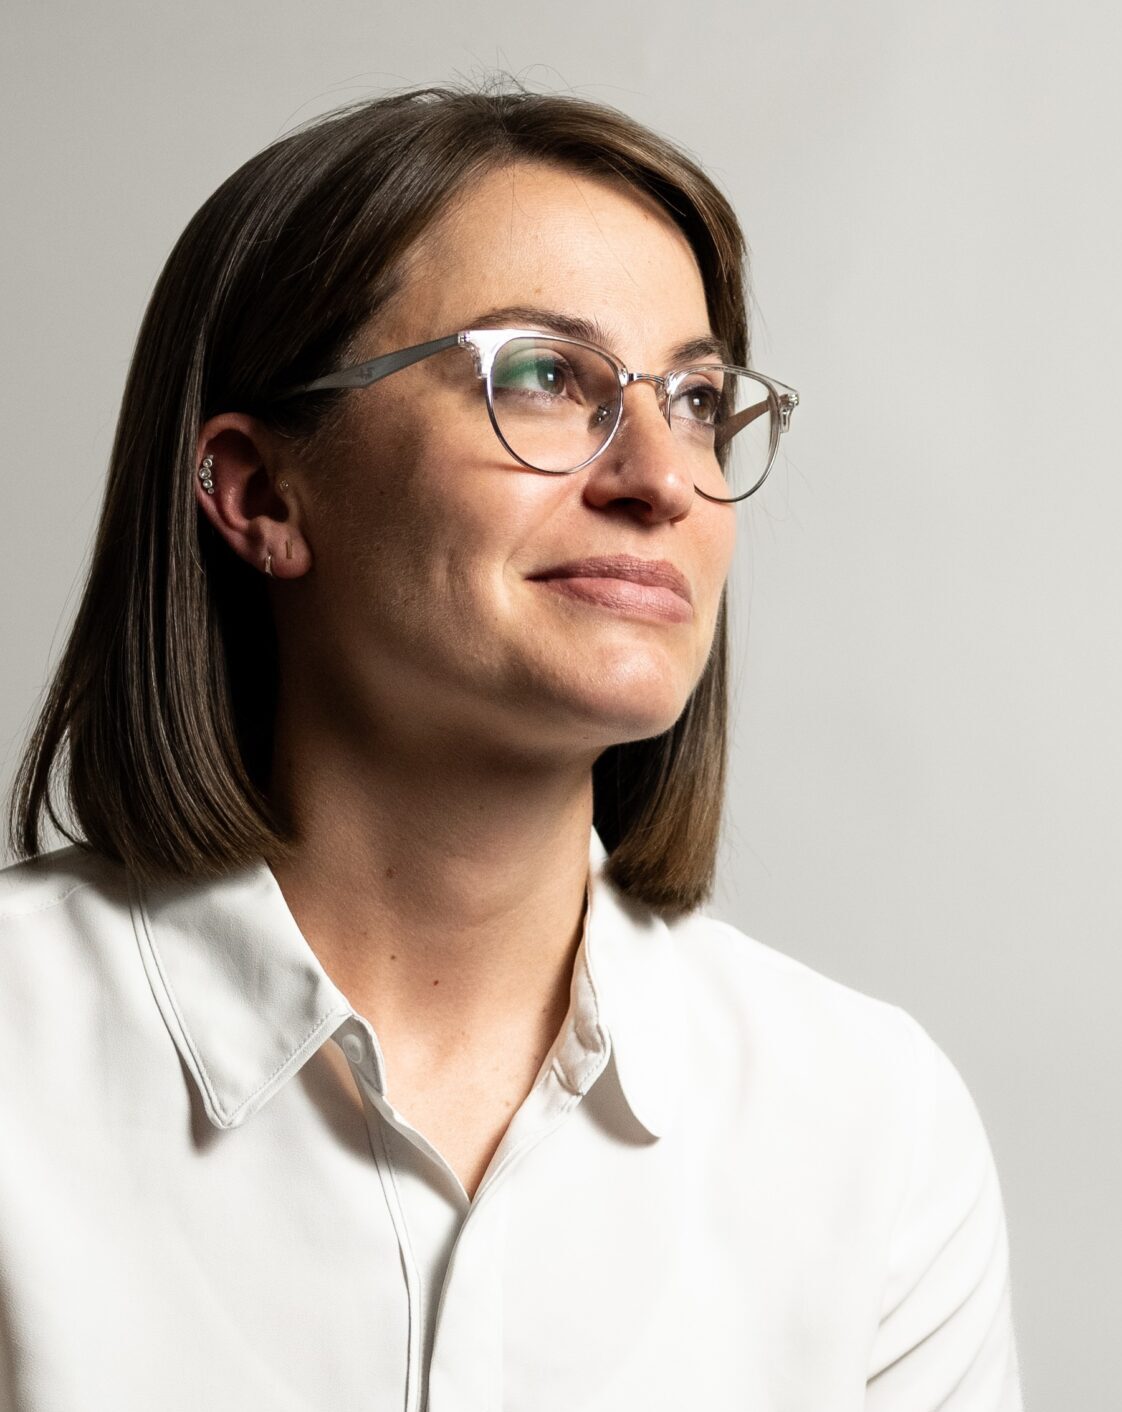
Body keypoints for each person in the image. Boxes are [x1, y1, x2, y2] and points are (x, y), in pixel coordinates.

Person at [0, 83, 1021, 1410]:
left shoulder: (869, 1126)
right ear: (259, 492)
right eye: (543, 377)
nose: (662, 478)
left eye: (698, 398)